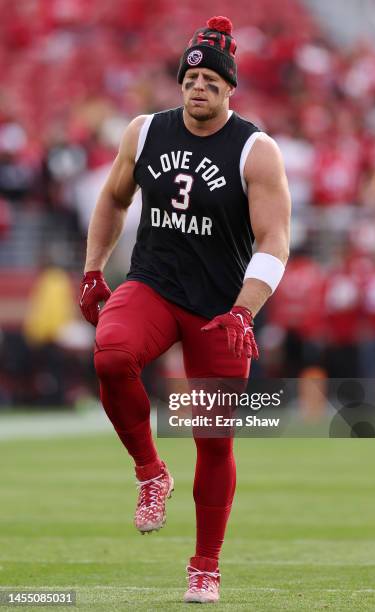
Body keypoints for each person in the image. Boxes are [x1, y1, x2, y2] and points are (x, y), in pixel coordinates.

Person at [79, 15, 291, 604]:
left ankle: (205, 565)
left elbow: (275, 241)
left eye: (212, 81)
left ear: (229, 90)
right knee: (112, 354)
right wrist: (95, 268)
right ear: (180, 81)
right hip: (154, 283)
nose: (199, 87)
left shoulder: (255, 149)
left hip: (221, 307)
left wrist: (246, 310)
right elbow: (112, 199)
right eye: (192, 77)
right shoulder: (146, 131)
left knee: (213, 440)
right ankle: (150, 472)